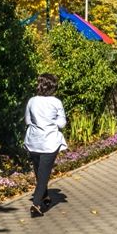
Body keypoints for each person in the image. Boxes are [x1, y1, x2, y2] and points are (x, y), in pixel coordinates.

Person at [24, 73, 67, 217]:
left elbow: (28, 121)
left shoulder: (31, 101)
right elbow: (62, 123)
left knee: (39, 172)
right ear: (53, 87)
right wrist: (51, 122)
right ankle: (36, 204)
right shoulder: (56, 102)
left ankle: (45, 196)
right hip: (49, 142)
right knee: (43, 175)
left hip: (33, 141)